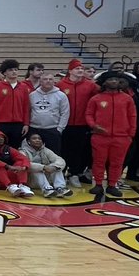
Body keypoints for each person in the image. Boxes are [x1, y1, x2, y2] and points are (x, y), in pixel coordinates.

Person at [86, 71, 136, 200]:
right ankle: (98, 183)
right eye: (110, 79)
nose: (114, 82)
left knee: (117, 163)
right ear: (104, 82)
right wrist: (93, 125)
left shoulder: (127, 98)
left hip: (121, 137)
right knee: (98, 161)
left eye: (116, 79)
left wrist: (130, 134)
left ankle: (112, 185)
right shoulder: (96, 98)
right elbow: (89, 114)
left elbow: (132, 116)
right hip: (100, 136)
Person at [59, 59, 97, 188]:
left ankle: (74, 173)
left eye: (81, 68)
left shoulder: (90, 85)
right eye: (77, 68)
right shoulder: (61, 84)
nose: (80, 70)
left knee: (78, 150)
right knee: (63, 150)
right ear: (70, 71)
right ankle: (61, 173)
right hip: (65, 123)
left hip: (82, 124)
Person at [0, 59, 31, 148]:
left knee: (15, 148)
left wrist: (26, 124)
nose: (14, 72)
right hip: (1, 123)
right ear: (4, 73)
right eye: (10, 70)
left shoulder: (23, 87)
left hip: (18, 124)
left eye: (16, 69)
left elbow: (26, 107)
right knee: (1, 148)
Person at [0, 129, 34, 197]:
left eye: (2, 137)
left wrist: (24, 167)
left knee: (20, 163)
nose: (1, 139)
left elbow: (24, 158)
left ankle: (22, 185)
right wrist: (7, 166)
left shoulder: (9, 149)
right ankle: (9, 186)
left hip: (9, 175)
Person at [28, 72, 69, 153]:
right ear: (40, 81)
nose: (48, 81)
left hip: (52, 130)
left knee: (53, 154)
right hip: (34, 129)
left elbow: (65, 113)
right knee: (34, 154)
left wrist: (59, 129)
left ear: (54, 81)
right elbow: (28, 111)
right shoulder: (32, 95)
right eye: (45, 79)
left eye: (50, 79)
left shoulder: (61, 95)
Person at [20, 133, 71, 197]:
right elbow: (26, 165)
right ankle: (47, 190)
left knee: (57, 167)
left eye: (39, 139)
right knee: (37, 169)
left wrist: (54, 167)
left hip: (47, 178)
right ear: (28, 141)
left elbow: (60, 160)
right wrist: (43, 167)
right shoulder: (22, 152)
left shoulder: (45, 150)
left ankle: (60, 188)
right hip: (30, 179)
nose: (37, 140)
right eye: (34, 138)